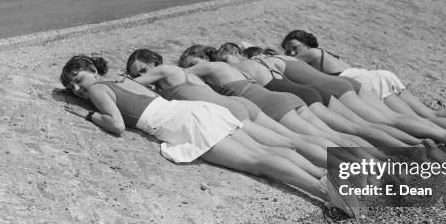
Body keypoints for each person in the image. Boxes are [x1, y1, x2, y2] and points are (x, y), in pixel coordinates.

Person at [60, 54, 357, 217]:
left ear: (91, 70)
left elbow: (116, 124)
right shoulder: (120, 78)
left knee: (260, 161)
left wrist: (86, 113)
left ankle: (326, 193)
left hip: (186, 124)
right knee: (269, 148)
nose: (77, 89)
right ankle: (325, 175)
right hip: (195, 111)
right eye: (71, 86)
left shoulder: (98, 88)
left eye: (78, 79)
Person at [215, 42, 446, 163]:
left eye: (224, 57)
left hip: (316, 93)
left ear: (234, 54)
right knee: (383, 121)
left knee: (355, 130)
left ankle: (405, 152)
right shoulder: (274, 58)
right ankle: (421, 144)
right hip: (336, 84)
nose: (224, 63)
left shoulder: (238, 67)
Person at [280, 30, 446, 140]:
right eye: (288, 49)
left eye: (294, 47)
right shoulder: (322, 53)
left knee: (423, 120)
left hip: (368, 85)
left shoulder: (310, 54)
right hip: (378, 76)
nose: (291, 52)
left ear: (305, 43)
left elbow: (287, 65)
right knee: (431, 112)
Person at [125, 48, 334, 167]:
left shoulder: (164, 71)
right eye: (137, 73)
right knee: (295, 139)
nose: (140, 76)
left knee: (282, 145)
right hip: (239, 105)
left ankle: (342, 170)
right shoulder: (182, 73)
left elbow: (131, 86)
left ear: (153, 63)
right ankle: (352, 164)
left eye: (142, 70)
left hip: (231, 113)